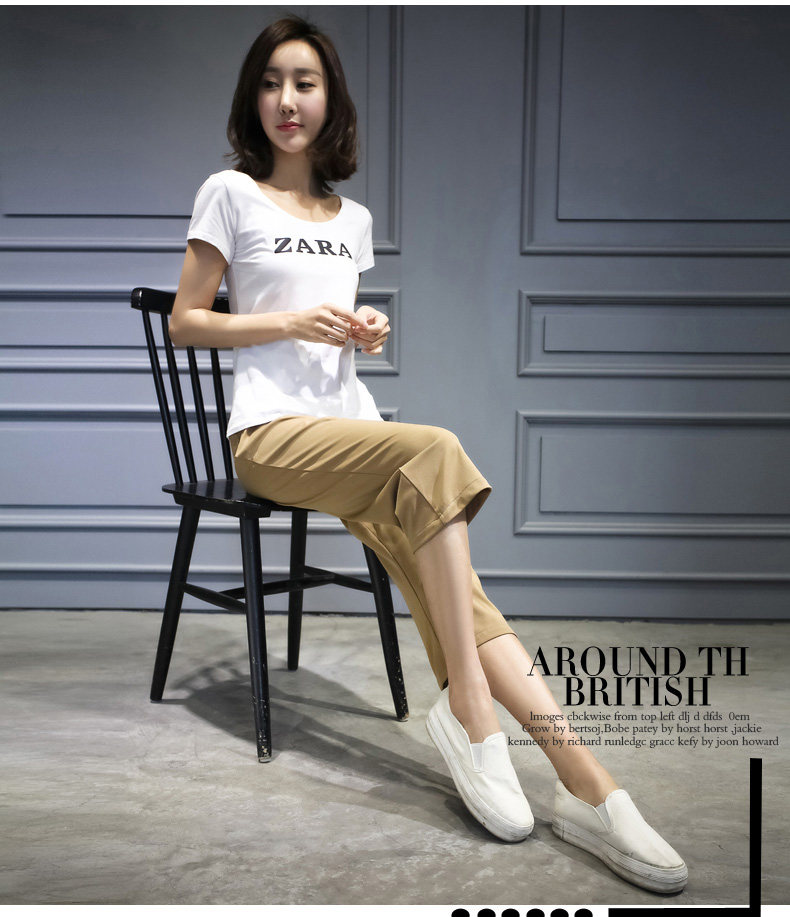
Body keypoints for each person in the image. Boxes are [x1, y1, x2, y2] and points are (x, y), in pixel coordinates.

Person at [169, 14, 688, 895]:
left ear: (330, 100)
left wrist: (362, 329)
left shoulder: (351, 218)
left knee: (462, 582)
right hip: (271, 436)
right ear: (252, 98)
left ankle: (588, 783)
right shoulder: (229, 192)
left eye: (305, 83)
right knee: (438, 450)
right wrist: (287, 320)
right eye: (271, 82)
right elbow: (187, 320)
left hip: (351, 431)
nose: (287, 100)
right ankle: (473, 712)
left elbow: (336, 339)